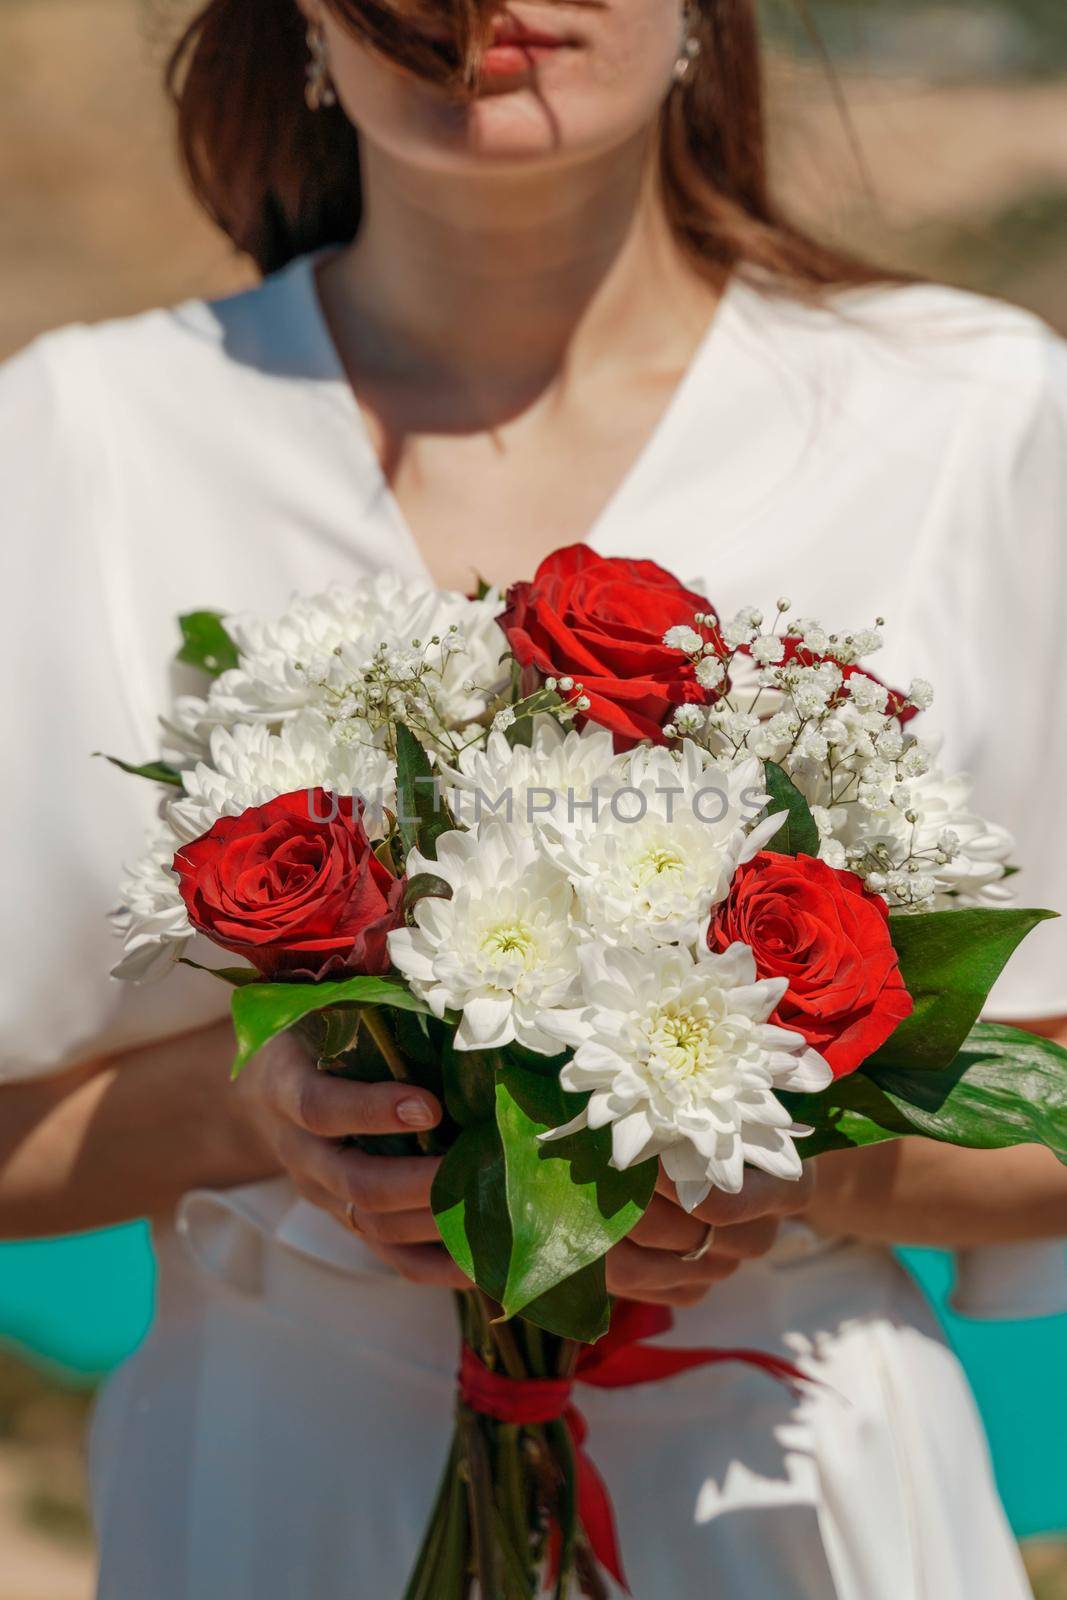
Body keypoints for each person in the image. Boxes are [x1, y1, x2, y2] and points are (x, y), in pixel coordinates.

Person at [2, 1, 1066, 1594]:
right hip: (279, 1506)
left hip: (786, 1507)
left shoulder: (978, 419)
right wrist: (260, 1111)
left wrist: (770, 1154)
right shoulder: (83, 439)